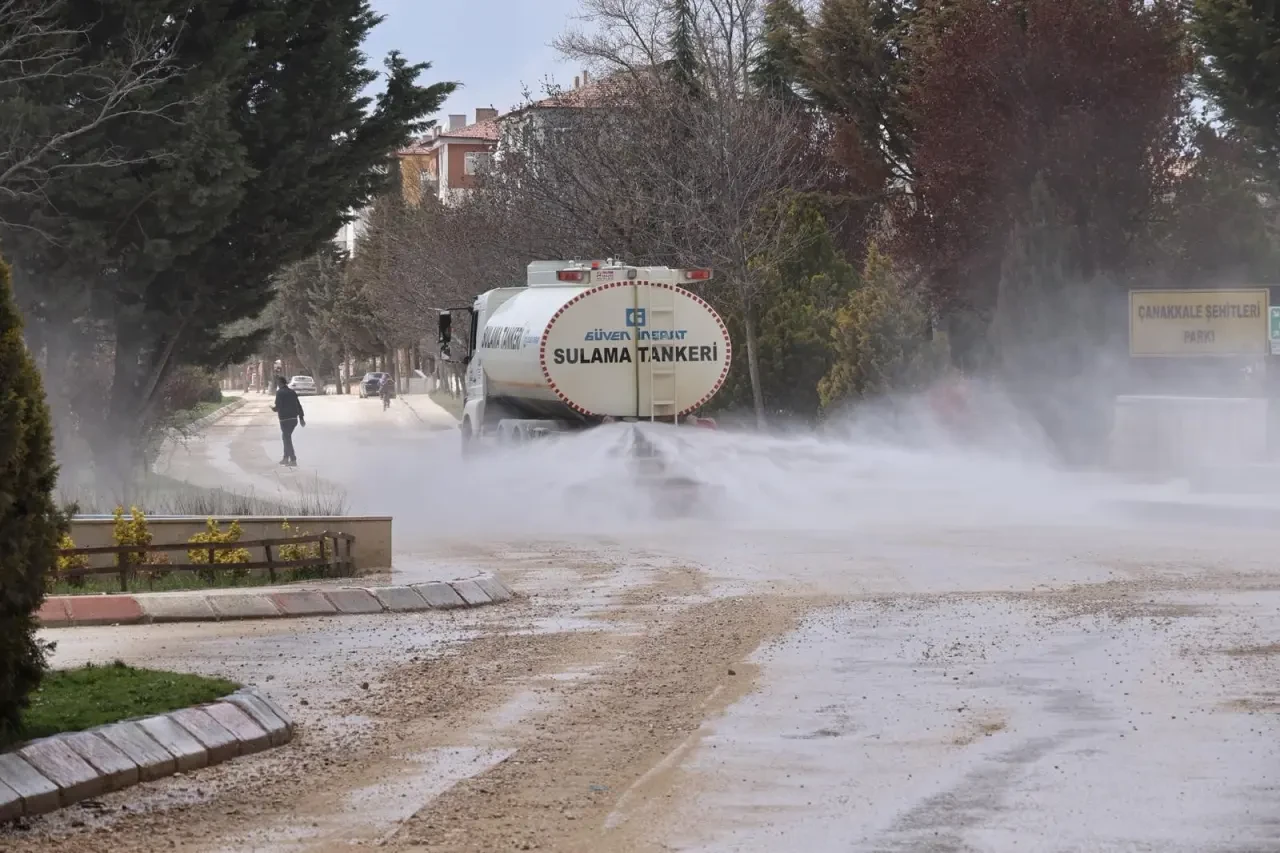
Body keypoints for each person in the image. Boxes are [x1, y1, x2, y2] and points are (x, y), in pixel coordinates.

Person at [270, 375, 306, 466]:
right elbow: (298, 405)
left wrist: (273, 409)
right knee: (286, 437)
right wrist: (301, 418)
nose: (277, 383)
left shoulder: (279, 393)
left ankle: (293, 459)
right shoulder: (292, 392)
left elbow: (278, 406)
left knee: (286, 438)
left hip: (284, 419)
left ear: (280, 383)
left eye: (277, 382)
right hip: (294, 419)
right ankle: (286, 458)